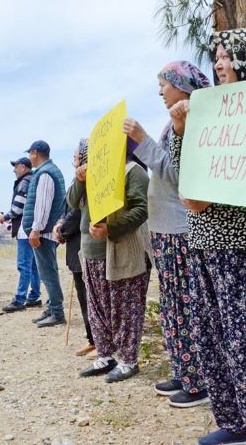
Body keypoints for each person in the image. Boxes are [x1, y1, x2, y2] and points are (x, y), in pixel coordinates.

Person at [169, 29, 246, 445]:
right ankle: (236, 422)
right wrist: (181, 130)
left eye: (229, 56)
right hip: (208, 245)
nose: (220, 63)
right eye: (217, 56)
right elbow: (184, 181)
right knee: (216, 341)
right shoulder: (205, 112)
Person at [123, 61, 208, 408]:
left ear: (181, 85)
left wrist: (141, 140)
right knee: (173, 305)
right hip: (165, 230)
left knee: (186, 305)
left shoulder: (193, 121)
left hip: (179, 229)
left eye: (164, 85)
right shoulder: (174, 123)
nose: (160, 92)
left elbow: (176, 174)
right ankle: (183, 368)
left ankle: (197, 378)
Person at [68, 136, 152, 382]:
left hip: (122, 251)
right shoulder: (89, 175)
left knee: (125, 309)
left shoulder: (132, 171)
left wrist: (112, 229)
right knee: (98, 309)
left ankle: (129, 360)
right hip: (91, 253)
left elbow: (141, 208)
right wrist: (79, 180)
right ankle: (105, 355)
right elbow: (72, 202)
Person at [54, 139, 94, 356]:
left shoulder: (90, 178)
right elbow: (68, 207)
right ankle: (92, 338)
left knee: (90, 295)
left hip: (83, 242)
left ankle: (97, 340)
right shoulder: (77, 179)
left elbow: (79, 210)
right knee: (83, 293)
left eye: (77, 155)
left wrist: (63, 230)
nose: (74, 159)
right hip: (74, 242)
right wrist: (60, 225)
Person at [22, 141, 67, 327]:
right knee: (48, 271)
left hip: (44, 232)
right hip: (46, 231)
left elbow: (43, 204)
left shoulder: (45, 173)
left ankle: (57, 312)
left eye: (30, 154)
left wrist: (36, 228)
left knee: (48, 273)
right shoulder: (48, 170)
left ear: (34, 153)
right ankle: (51, 307)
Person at [0, 157, 41, 313]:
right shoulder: (33, 180)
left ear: (23, 167)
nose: (14, 170)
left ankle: (20, 299)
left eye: (16, 167)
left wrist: (5, 217)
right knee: (34, 265)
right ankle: (35, 296)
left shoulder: (24, 182)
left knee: (24, 265)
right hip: (32, 228)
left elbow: (18, 207)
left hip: (24, 229)